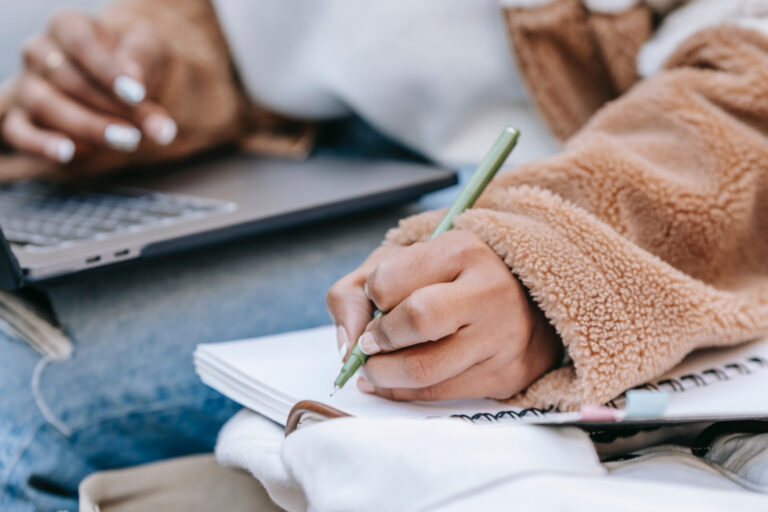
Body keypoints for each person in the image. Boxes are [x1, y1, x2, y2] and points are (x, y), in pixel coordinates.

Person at [3, 0, 768, 510]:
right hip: (314, 155)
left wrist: (559, 260)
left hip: (556, 178)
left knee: (16, 400)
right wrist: (157, 68)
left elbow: (749, 75)